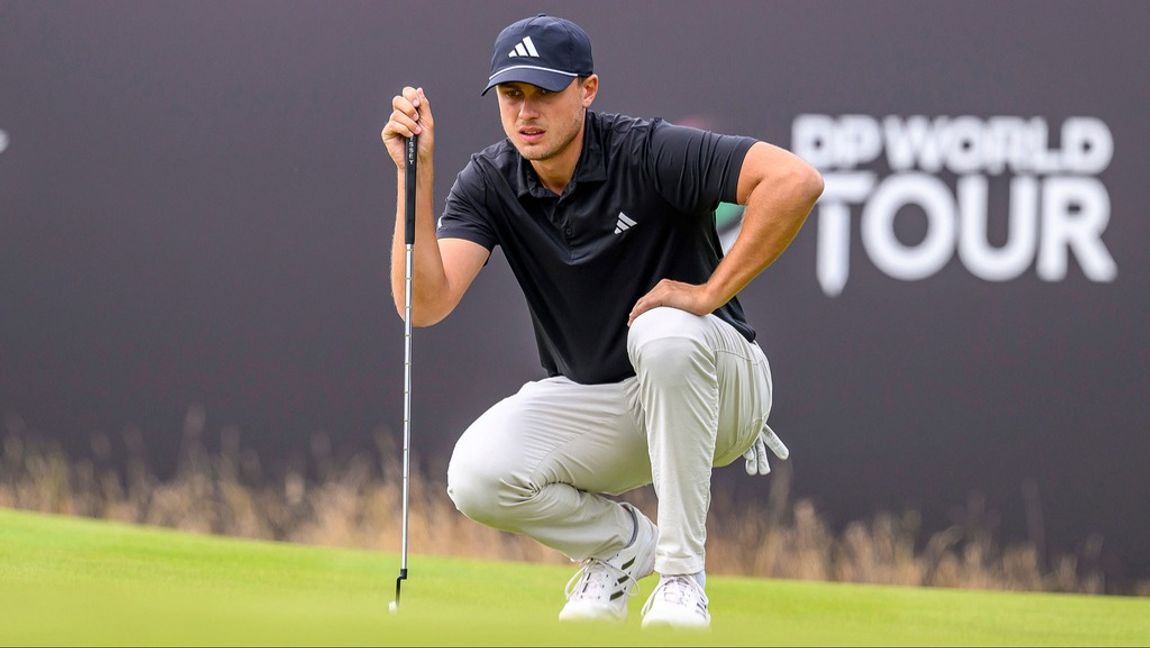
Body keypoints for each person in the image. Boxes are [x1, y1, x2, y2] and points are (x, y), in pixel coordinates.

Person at [381, 14, 822, 629]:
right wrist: (416, 173)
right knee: (478, 474)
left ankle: (680, 577)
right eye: (512, 95)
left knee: (663, 330)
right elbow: (423, 304)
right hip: (614, 400)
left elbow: (794, 180)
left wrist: (708, 292)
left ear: (587, 90)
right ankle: (618, 547)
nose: (526, 111)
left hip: (723, 390)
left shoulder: (647, 151)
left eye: (544, 92)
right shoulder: (490, 180)